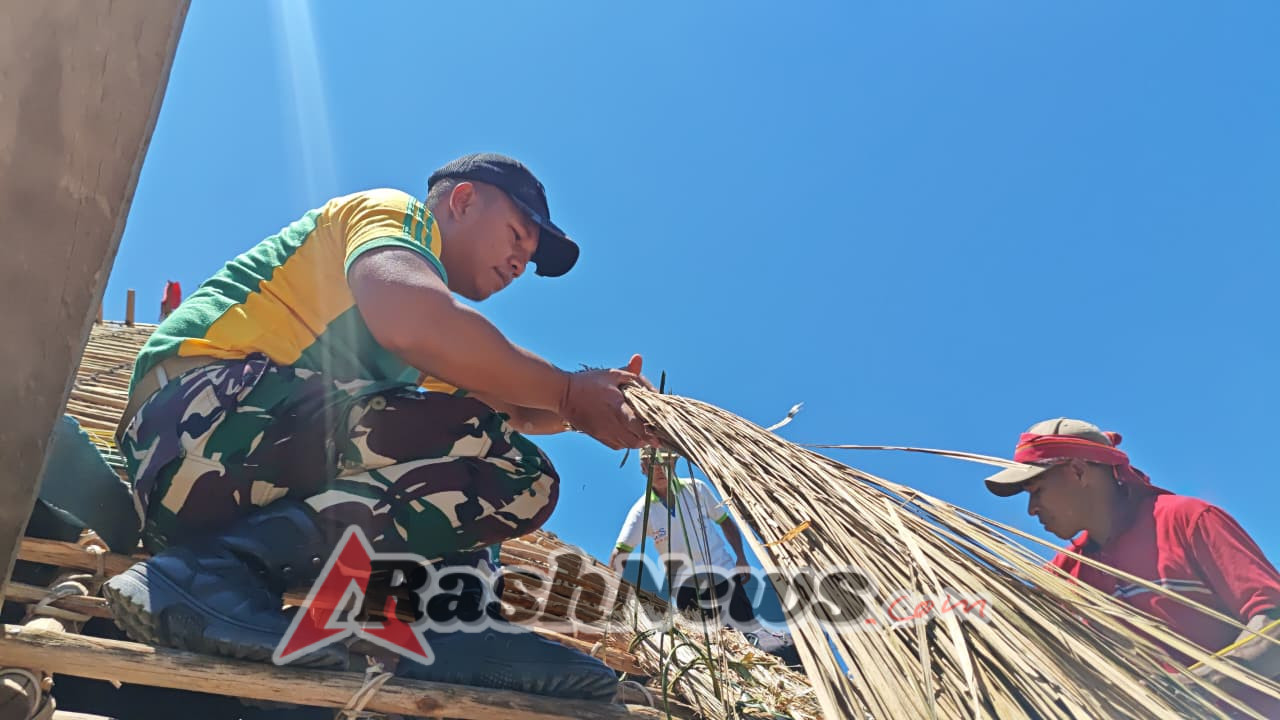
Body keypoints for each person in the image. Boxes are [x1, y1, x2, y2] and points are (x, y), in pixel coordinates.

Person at [103, 153, 654, 701]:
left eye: (528, 260)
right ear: (463, 201)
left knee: (484, 475)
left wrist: (602, 410)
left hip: (221, 487)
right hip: (195, 423)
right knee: (507, 463)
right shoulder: (393, 216)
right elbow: (413, 320)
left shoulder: (423, 351)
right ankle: (209, 574)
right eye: (516, 236)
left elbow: (515, 410)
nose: (519, 264)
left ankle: (451, 628)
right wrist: (568, 392)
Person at [985, 417, 1280, 714]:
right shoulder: (1064, 575)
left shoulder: (1186, 521)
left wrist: (1202, 684)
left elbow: (1275, 623)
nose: (1031, 509)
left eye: (1037, 490)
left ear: (1078, 471)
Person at [609, 447, 757, 628]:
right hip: (685, 589)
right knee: (704, 640)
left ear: (674, 463)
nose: (660, 469)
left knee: (746, 633)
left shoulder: (696, 488)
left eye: (666, 462)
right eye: (654, 464)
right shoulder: (642, 510)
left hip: (722, 574)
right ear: (643, 468)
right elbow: (620, 552)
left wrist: (741, 556)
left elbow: (725, 521)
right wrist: (614, 590)